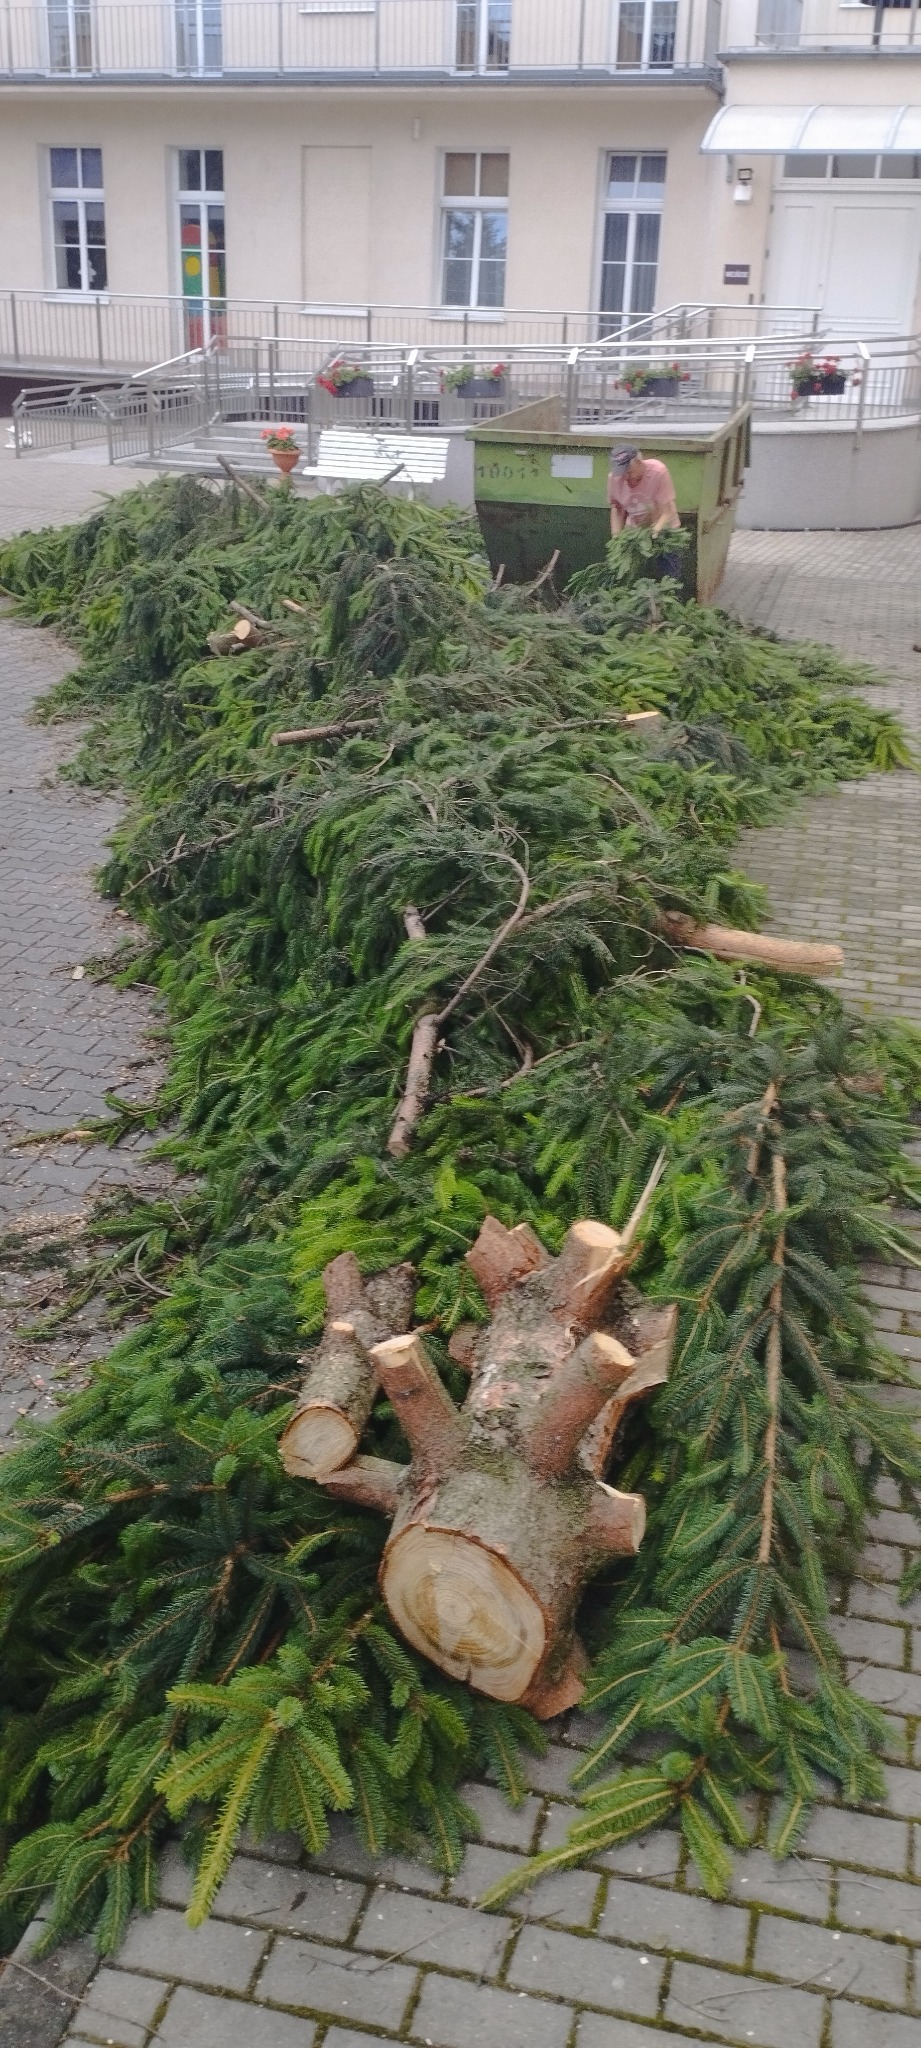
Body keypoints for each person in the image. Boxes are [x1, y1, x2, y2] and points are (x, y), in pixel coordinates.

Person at [607, 445, 682, 580]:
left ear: (639, 462)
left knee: (669, 574)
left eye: (629, 472)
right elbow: (616, 508)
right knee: (636, 575)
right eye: (622, 473)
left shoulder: (658, 472)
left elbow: (667, 511)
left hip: (665, 529)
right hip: (636, 532)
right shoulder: (615, 478)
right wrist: (616, 538)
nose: (626, 477)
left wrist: (655, 531)